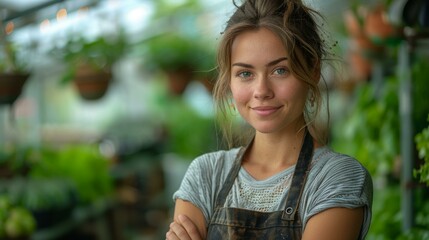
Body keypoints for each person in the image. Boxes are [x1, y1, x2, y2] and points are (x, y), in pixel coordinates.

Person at [166, 0, 373, 239]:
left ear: (313, 70)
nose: (261, 90)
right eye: (245, 73)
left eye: (280, 70)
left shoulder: (337, 177)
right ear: (229, 81)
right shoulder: (206, 174)